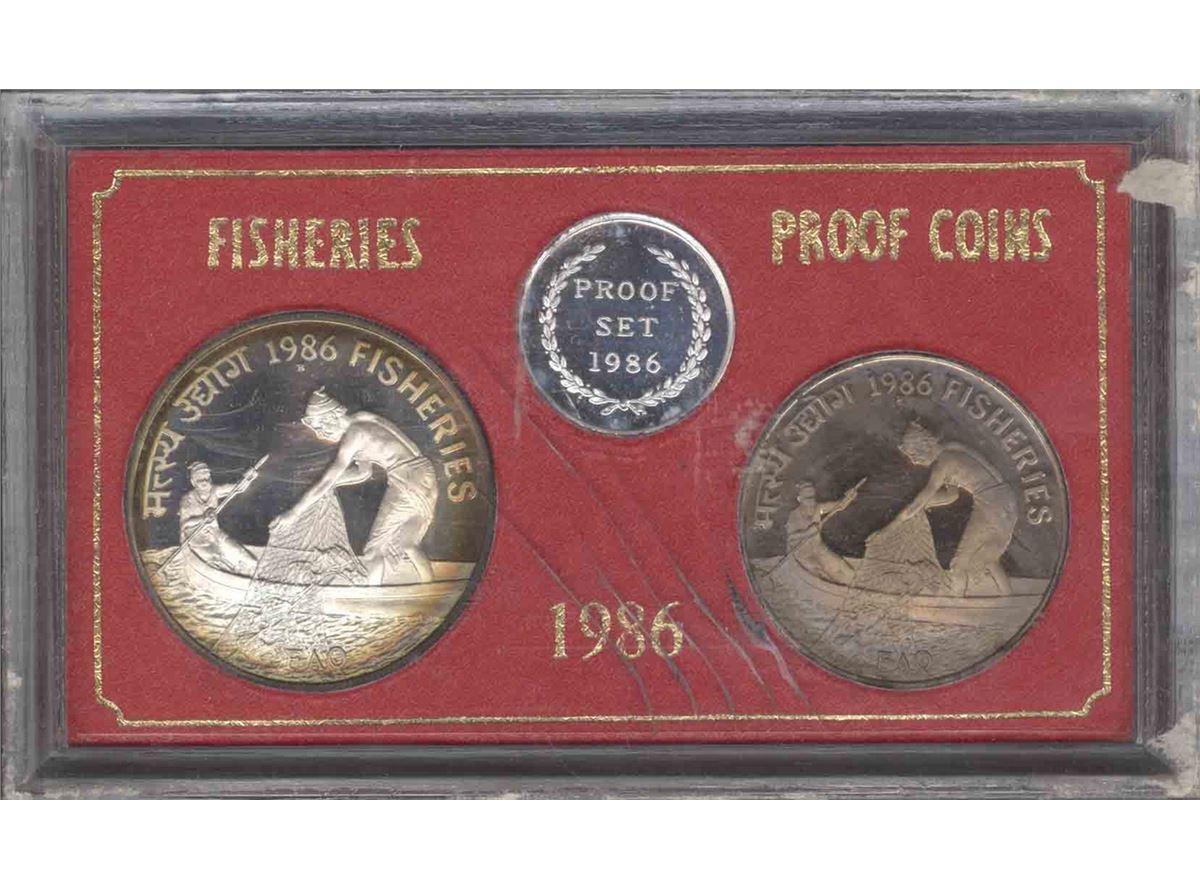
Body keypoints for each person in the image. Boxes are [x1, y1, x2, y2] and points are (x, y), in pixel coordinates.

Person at [272, 388, 438, 585]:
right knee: (408, 542)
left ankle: (371, 596)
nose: (320, 433)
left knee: (374, 550)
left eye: (320, 427)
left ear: (331, 417)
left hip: (406, 479)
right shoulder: (363, 420)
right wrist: (333, 483)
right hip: (424, 475)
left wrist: (295, 512)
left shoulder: (354, 434)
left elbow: (328, 479)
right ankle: (430, 586)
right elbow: (362, 473)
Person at [893, 421, 1017, 597]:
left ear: (923, 446)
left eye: (913, 454)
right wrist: (926, 505)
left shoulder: (943, 463)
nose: (913, 461)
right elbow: (951, 496)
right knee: (986, 557)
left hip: (992, 502)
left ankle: (956, 602)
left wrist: (891, 526)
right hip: (1004, 498)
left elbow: (922, 498)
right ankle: (1008, 597)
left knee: (959, 564)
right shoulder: (951, 452)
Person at [179, 461, 258, 575]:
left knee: (241, 553)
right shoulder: (187, 500)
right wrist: (202, 518)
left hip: (215, 533)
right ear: (193, 482)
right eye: (200, 479)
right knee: (217, 559)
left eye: (206, 478)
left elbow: (237, 488)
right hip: (196, 539)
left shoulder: (214, 491)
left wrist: (248, 478)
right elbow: (184, 524)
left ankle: (253, 569)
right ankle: (230, 572)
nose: (204, 481)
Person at [781, 479, 861, 585]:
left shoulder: (818, 508)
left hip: (819, 549)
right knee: (821, 577)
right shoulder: (794, 516)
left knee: (848, 573)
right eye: (807, 498)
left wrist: (848, 498)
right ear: (800, 499)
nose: (811, 501)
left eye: (812, 497)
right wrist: (807, 532)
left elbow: (839, 505)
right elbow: (790, 537)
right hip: (803, 555)